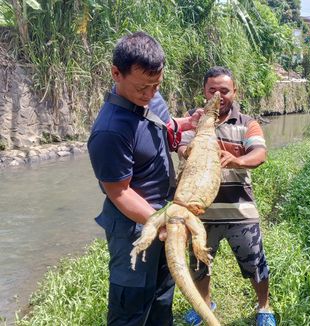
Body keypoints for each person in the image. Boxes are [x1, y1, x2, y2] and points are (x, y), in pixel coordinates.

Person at [88, 31, 202, 326]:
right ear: (116, 73)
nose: (150, 94)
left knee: (162, 296)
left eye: (156, 85)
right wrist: (162, 222)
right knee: (132, 307)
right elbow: (120, 193)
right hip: (134, 228)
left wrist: (187, 123)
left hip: (163, 215)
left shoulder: (151, 96)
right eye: (143, 88)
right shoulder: (110, 131)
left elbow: (161, 127)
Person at [177, 66, 276, 326]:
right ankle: (205, 304)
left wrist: (237, 160)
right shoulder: (193, 120)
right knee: (199, 264)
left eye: (224, 90)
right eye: (213, 90)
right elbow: (182, 146)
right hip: (200, 213)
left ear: (234, 92)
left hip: (240, 210)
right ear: (204, 91)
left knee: (255, 262)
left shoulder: (247, 124)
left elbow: (259, 155)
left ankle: (264, 307)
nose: (218, 96)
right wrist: (191, 151)